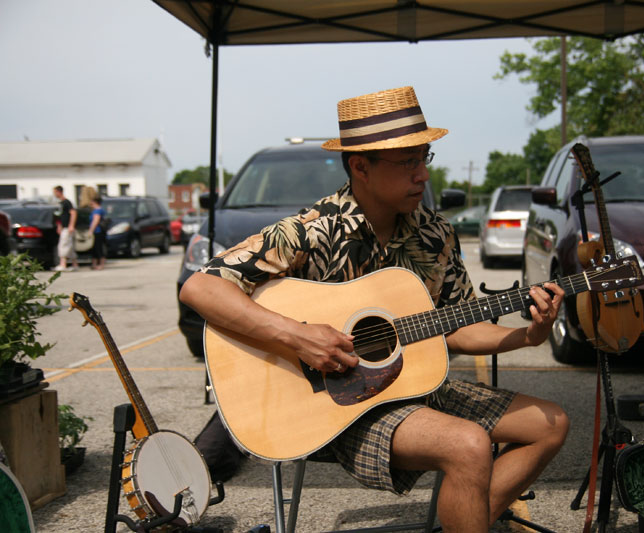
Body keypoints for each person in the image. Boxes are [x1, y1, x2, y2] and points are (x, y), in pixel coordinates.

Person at [179, 86, 569, 532]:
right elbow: (200, 288)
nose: (423, 175)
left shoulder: (434, 234)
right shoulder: (312, 230)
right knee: (469, 443)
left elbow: (458, 324)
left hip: (414, 387)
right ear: (360, 166)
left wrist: (527, 335)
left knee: (551, 423)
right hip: (340, 407)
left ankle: (463, 521)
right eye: (409, 163)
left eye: (426, 159)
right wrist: (297, 335)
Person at [53, 185, 78, 271]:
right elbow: (60, 216)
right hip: (64, 227)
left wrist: (71, 225)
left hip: (68, 227)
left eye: (55, 192)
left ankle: (63, 264)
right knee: (70, 246)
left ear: (59, 192)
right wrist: (59, 226)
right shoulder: (60, 203)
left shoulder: (67, 202)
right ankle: (75, 264)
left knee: (63, 245)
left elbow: (73, 213)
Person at [88, 196, 107, 270]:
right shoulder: (97, 210)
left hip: (97, 231)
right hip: (97, 231)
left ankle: (101, 264)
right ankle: (94, 264)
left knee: (98, 248)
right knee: (94, 248)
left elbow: (96, 221)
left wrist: (91, 230)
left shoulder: (98, 211)